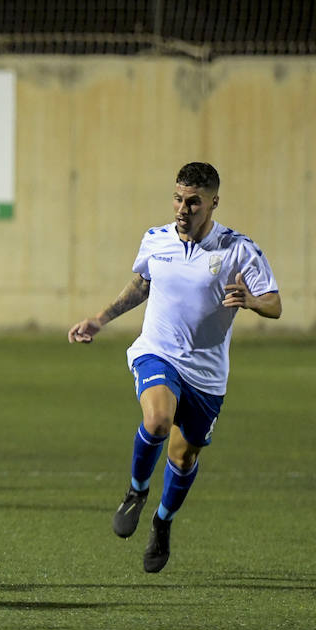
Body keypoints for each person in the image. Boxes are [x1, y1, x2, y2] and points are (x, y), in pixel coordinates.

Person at [68, 162, 281, 573]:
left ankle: (162, 522)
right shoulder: (156, 239)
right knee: (158, 420)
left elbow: (274, 302)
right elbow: (142, 284)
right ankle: (136, 491)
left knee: (183, 458)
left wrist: (253, 302)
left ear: (213, 203)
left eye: (194, 202)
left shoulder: (238, 249)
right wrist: (100, 319)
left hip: (207, 373)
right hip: (158, 351)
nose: (183, 209)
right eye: (178, 199)